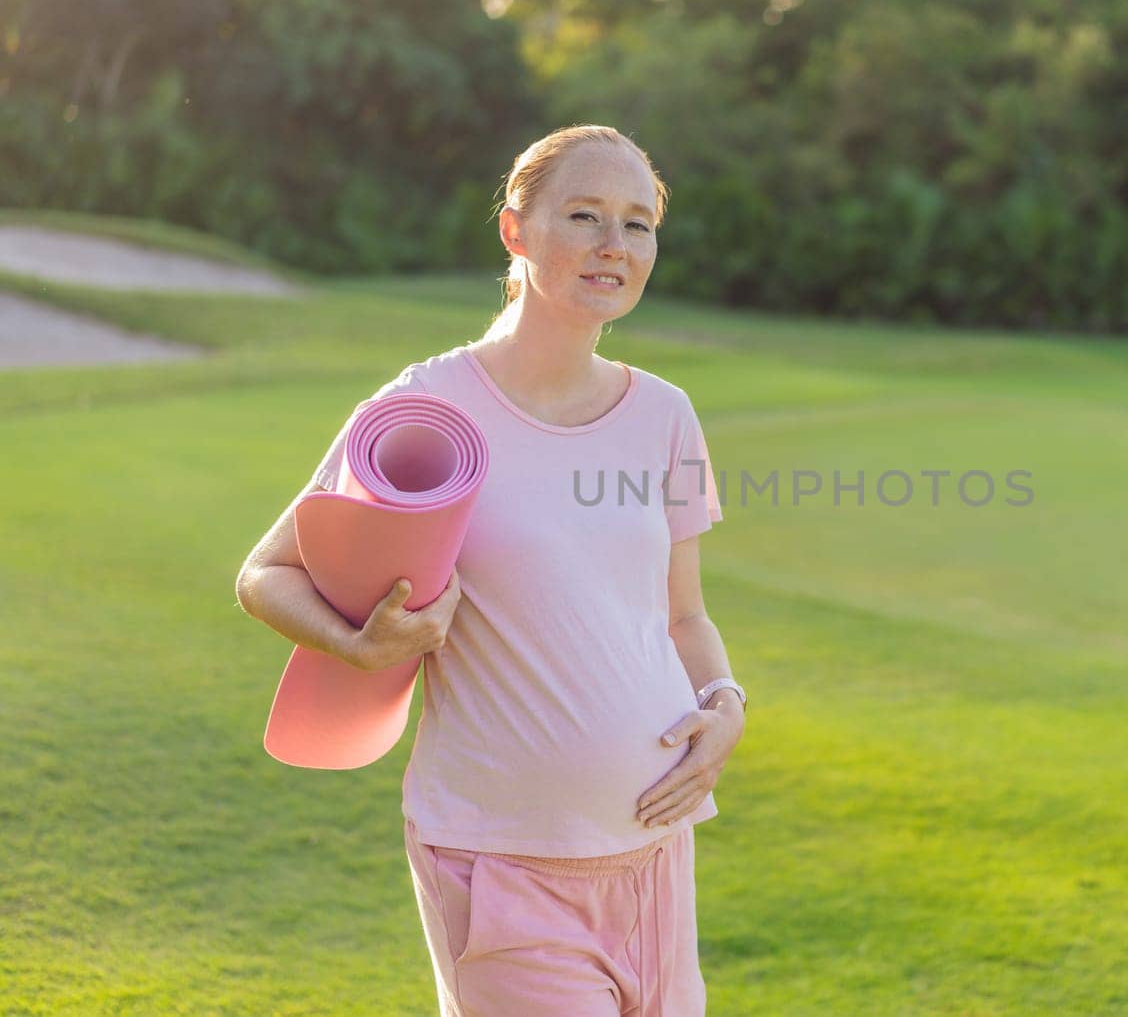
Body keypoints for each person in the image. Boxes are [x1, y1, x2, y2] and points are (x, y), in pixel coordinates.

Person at [235, 124, 746, 1016]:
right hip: (499, 862)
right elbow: (266, 572)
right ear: (515, 230)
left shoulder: (666, 414)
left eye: (638, 224)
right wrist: (360, 645)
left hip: (658, 854)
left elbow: (683, 617)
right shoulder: (425, 405)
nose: (612, 246)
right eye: (583, 215)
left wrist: (727, 705)